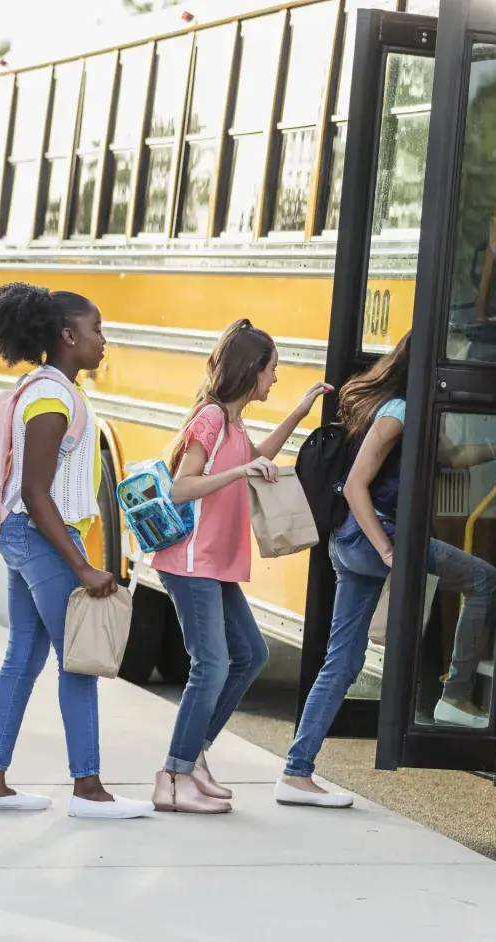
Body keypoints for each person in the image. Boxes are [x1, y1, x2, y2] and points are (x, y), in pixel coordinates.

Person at [276, 332, 496, 807]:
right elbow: (356, 485)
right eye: (453, 358)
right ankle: (456, 695)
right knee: (485, 579)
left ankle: (296, 772)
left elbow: (456, 459)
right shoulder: (398, 412)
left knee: (344, 659)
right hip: (370, 536)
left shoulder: (406, 409)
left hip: (351, 541)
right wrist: (390, 553)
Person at [0, 283, 153, 819]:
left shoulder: (53, 387)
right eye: (97, 329)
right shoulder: (50, 397)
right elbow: (33, 490)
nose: (104, 340)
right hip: (40, 535)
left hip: (29, 534)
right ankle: (89, 791)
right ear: (68, 336)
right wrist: (82, 565)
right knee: (78, 659)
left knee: (24, 656)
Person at [150, 318, 332, 813]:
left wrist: (298, 412)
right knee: (209, 666)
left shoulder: (233, 422)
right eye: (273, 371)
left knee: (250, 654)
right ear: (251, 372)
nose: (275, 379)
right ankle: (173, 776)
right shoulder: (209, 419)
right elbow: (181, 486)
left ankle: (193, 755)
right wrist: (238, 470)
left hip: (216, 562)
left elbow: (257, 458)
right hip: (190, 561)